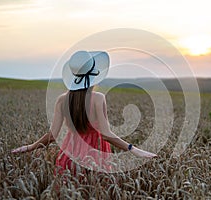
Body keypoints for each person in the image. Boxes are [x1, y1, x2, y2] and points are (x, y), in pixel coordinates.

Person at [11, 51, 157, 175]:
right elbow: (106, 134)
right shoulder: (98, 99)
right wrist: (133, 149)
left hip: (70, 154)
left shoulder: (62, 100)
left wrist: (29, 147)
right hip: (96, 155)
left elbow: (52, 136)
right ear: (95, 75)